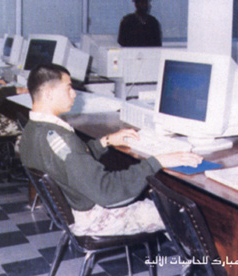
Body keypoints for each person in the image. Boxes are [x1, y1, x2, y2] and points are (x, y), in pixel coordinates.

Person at [19, 63, 202, 236]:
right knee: (184, 214)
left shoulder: (31, 130)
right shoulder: (63, 140)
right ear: (49, 94)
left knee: (162, 200)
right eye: (68, 88)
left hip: (72, 209)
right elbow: (108, 192)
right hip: (93, 218)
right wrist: (156, 162)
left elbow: (71, 161)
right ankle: (193, 259)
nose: (74, 94)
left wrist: (105, 142)